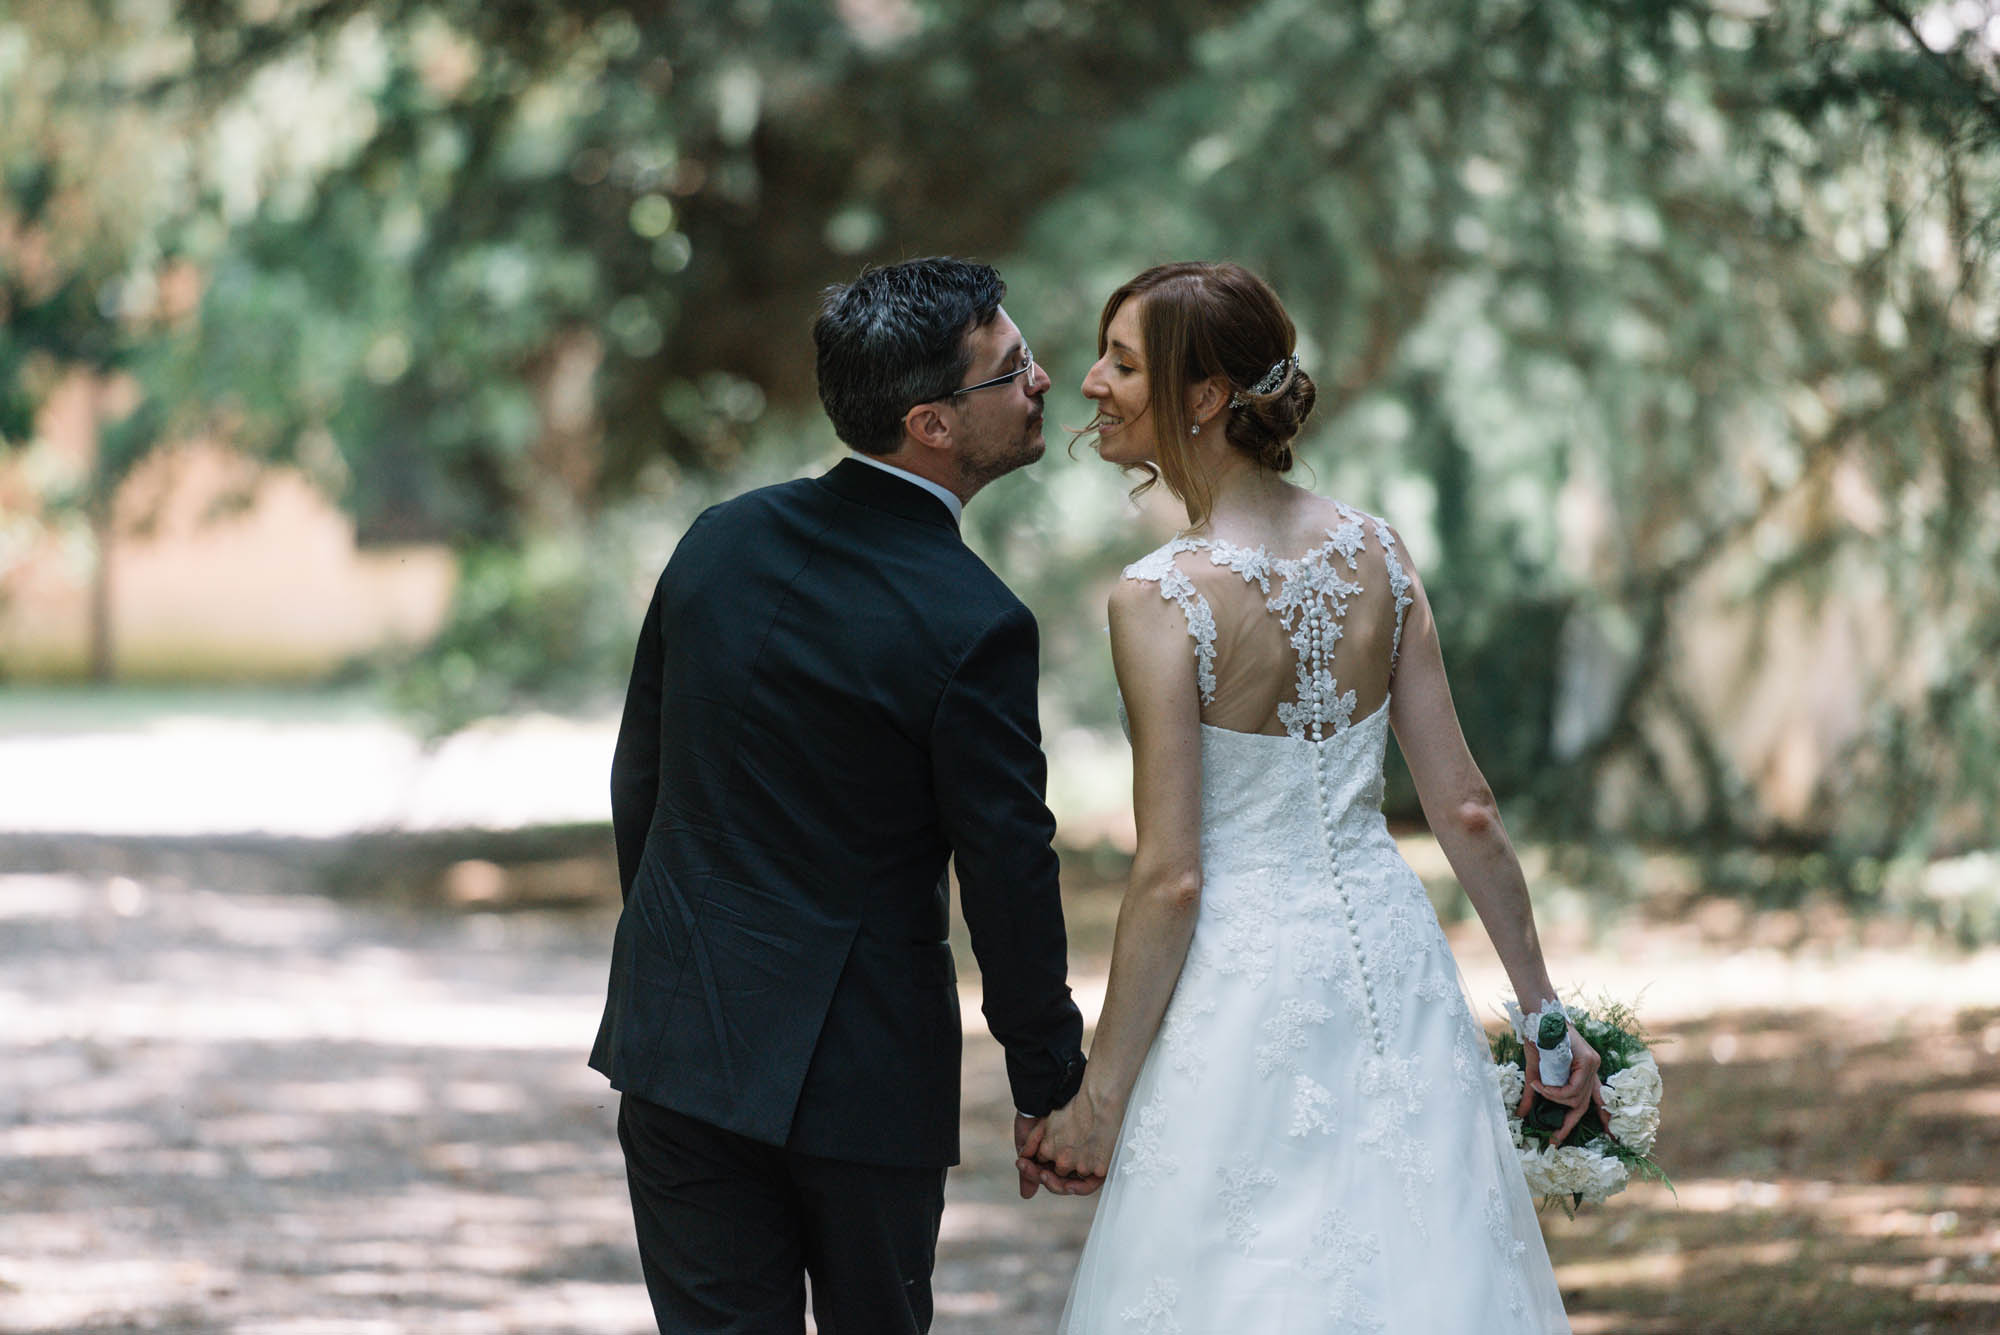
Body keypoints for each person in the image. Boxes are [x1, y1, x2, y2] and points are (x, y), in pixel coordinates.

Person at [1023, 262, 1596, 1332]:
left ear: (1204, 397)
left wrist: (1098, 1101)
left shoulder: (1159, 599)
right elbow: (1466, 808)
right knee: (1418, 1256)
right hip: (1391, 966)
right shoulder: (1378, 551)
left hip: (1240, 987)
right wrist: (1544, 1020)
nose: (1090, 382)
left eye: (1123, 363)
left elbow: (1172, 876)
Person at [589, 256, 1090, 1335]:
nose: (1043, 379)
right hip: (860, 1074)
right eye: (1012, 367)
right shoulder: (975, 622)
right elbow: (1007, 867)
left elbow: (641, 778)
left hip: (678, 1045)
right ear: (930, 424)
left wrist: (679, 954)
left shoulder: (719, 541)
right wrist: (1049, 1080)